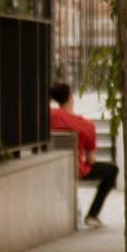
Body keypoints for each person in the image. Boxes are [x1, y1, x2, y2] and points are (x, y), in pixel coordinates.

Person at [49, 83, 118, 228]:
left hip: (50, 165)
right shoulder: (86, 124)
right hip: (76, 169)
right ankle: (92, 215)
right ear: (70, 97)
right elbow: (91, 159)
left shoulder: (49, 115)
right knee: (112, 169)